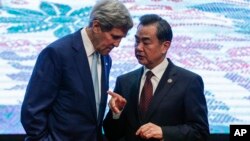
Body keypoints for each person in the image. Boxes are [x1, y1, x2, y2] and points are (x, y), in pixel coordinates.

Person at [20, 0, 133, 140]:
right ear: (96, 26)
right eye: (114, 37)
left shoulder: (106, 59)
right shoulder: (57, 53)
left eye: (121, 38)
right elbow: (32, 112)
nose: (117, 44)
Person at [103, 14, 209, 141]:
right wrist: (116, 114)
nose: (138, 48)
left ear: (165, 46)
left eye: (146, 42)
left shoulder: (189, 81)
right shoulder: (124, 82)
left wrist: (164, 132)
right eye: (137, 41)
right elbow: (112, 135)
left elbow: (200, 132)